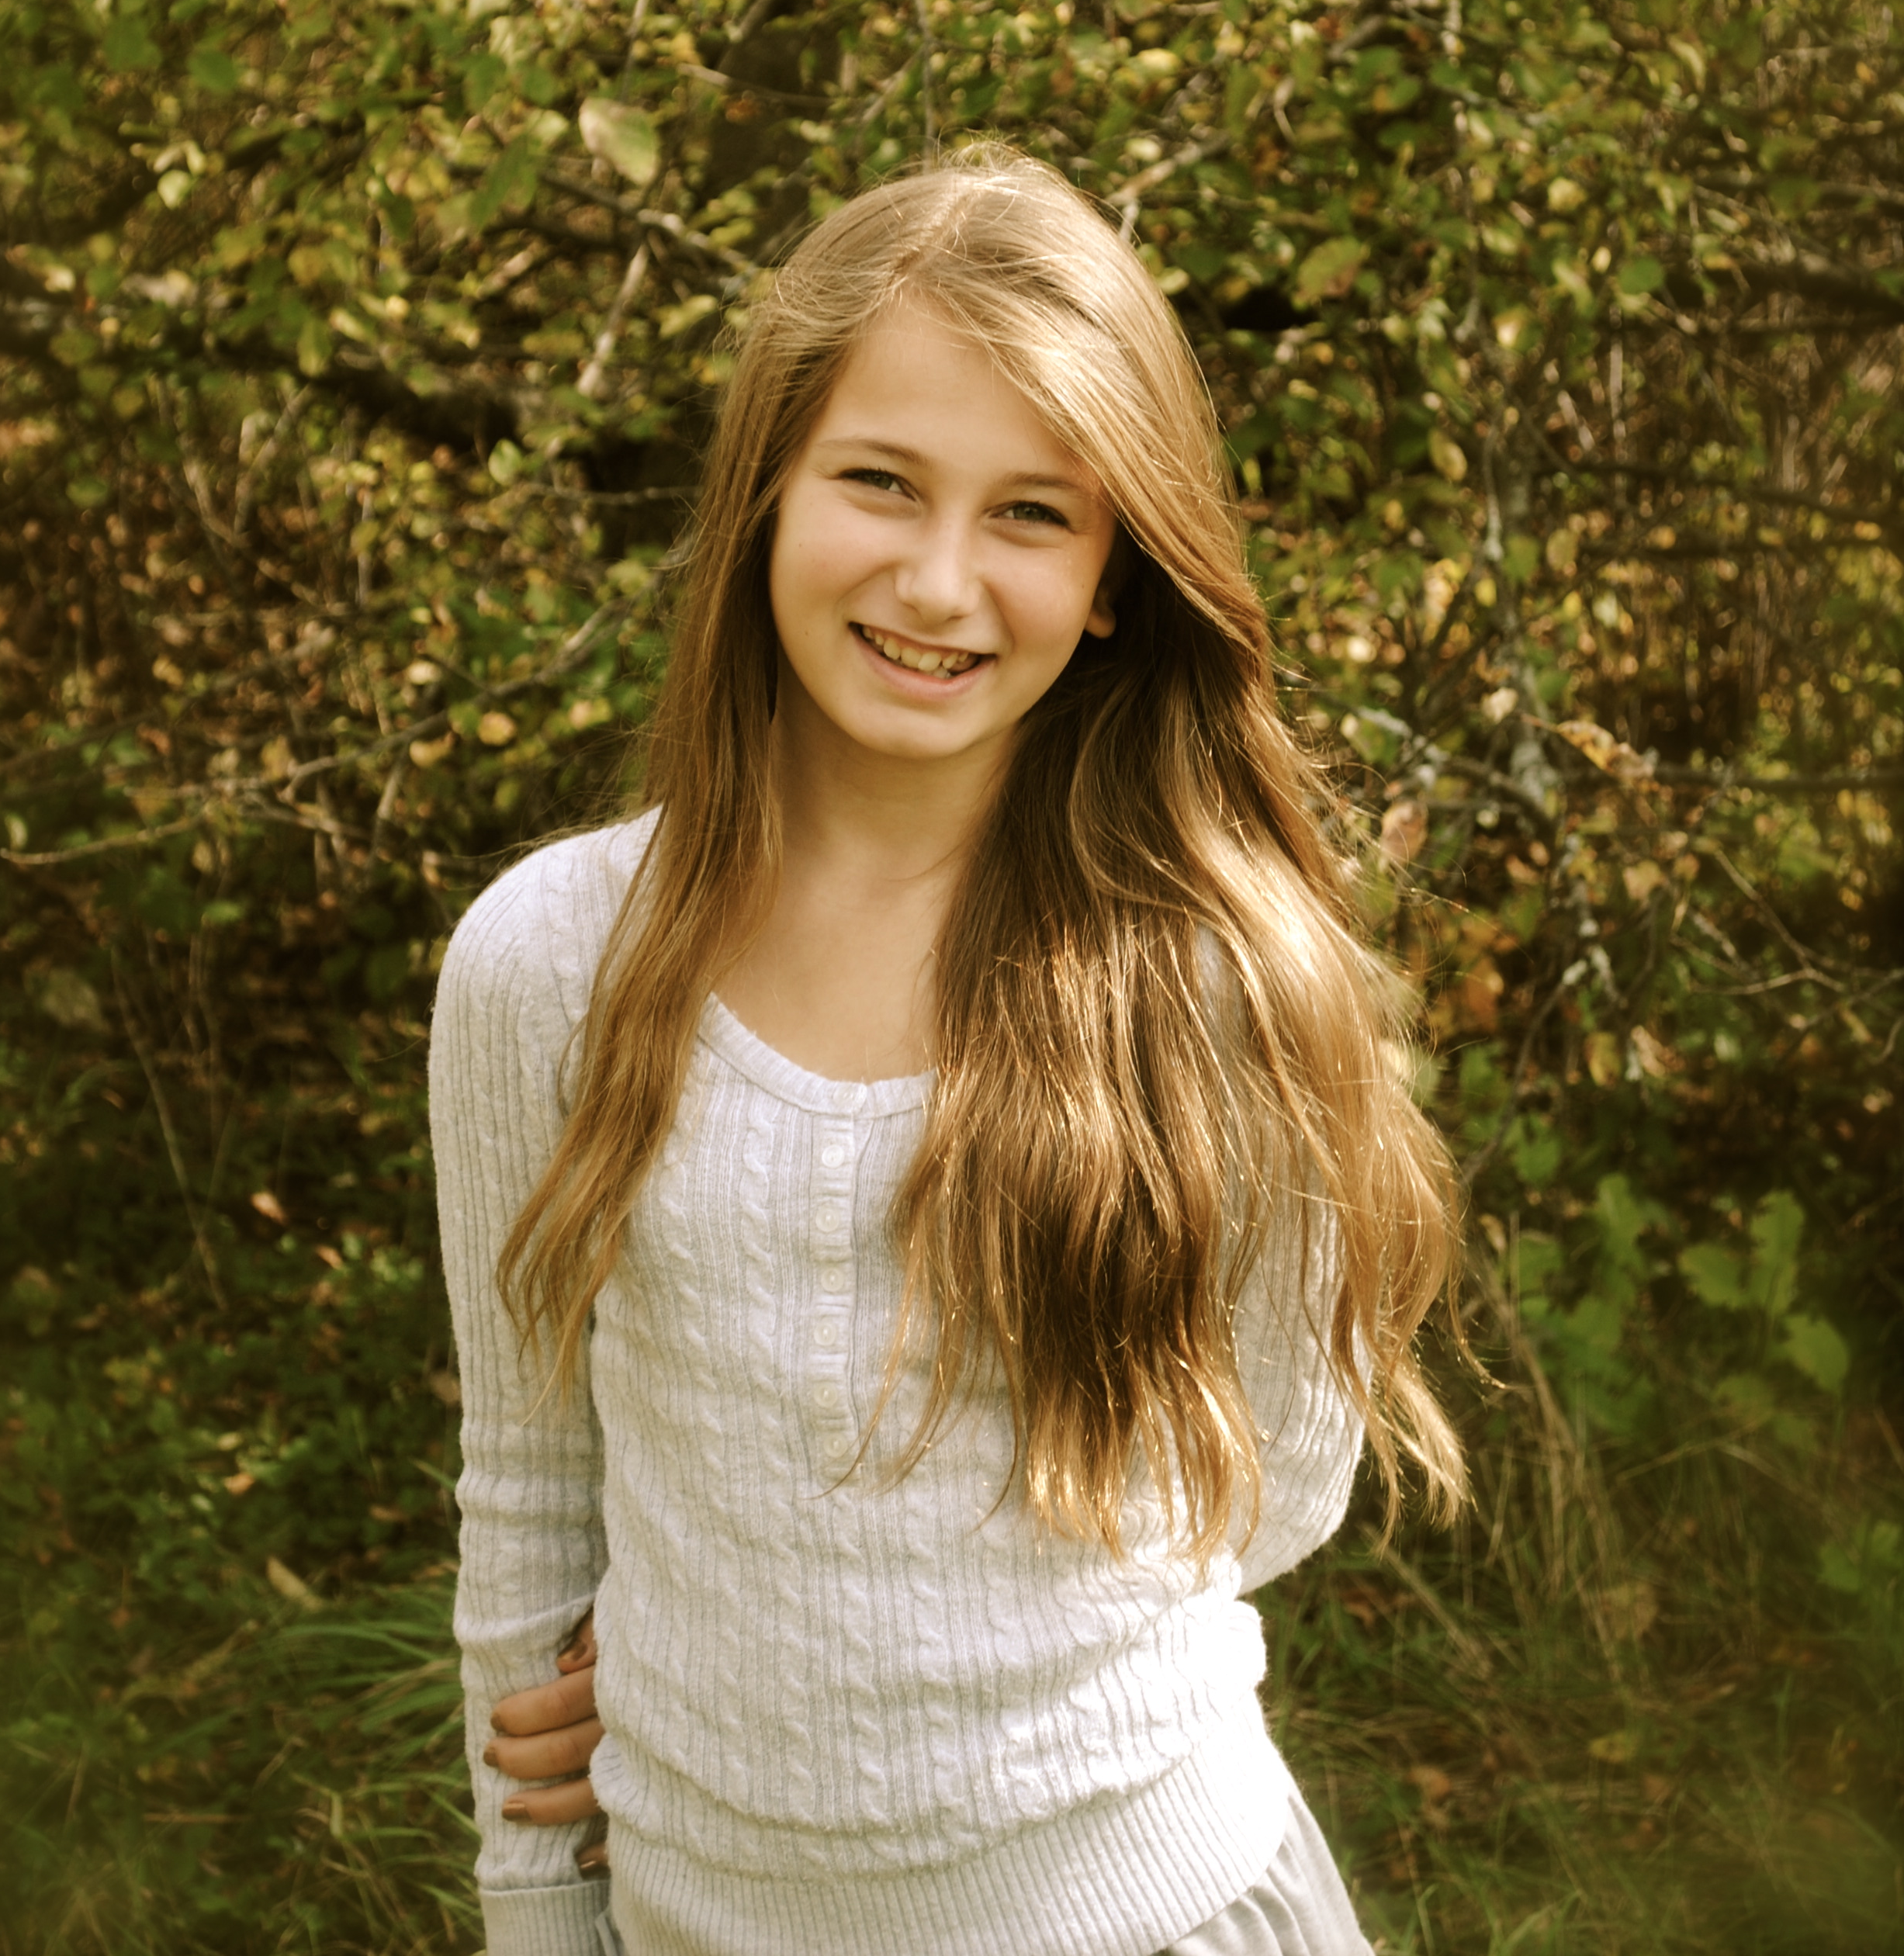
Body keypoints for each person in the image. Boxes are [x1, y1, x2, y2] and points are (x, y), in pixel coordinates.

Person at [429, 144, 1465, 1956]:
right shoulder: (548, 963)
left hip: (1154, 1910)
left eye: (1031, 514)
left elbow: (1272, 1472)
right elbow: (529, 1492)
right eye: (881, 480)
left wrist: (901, 1682)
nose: (936, 578)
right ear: (766, 486)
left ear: (1119, 574)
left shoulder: (1211, 984)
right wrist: (580, 1847)